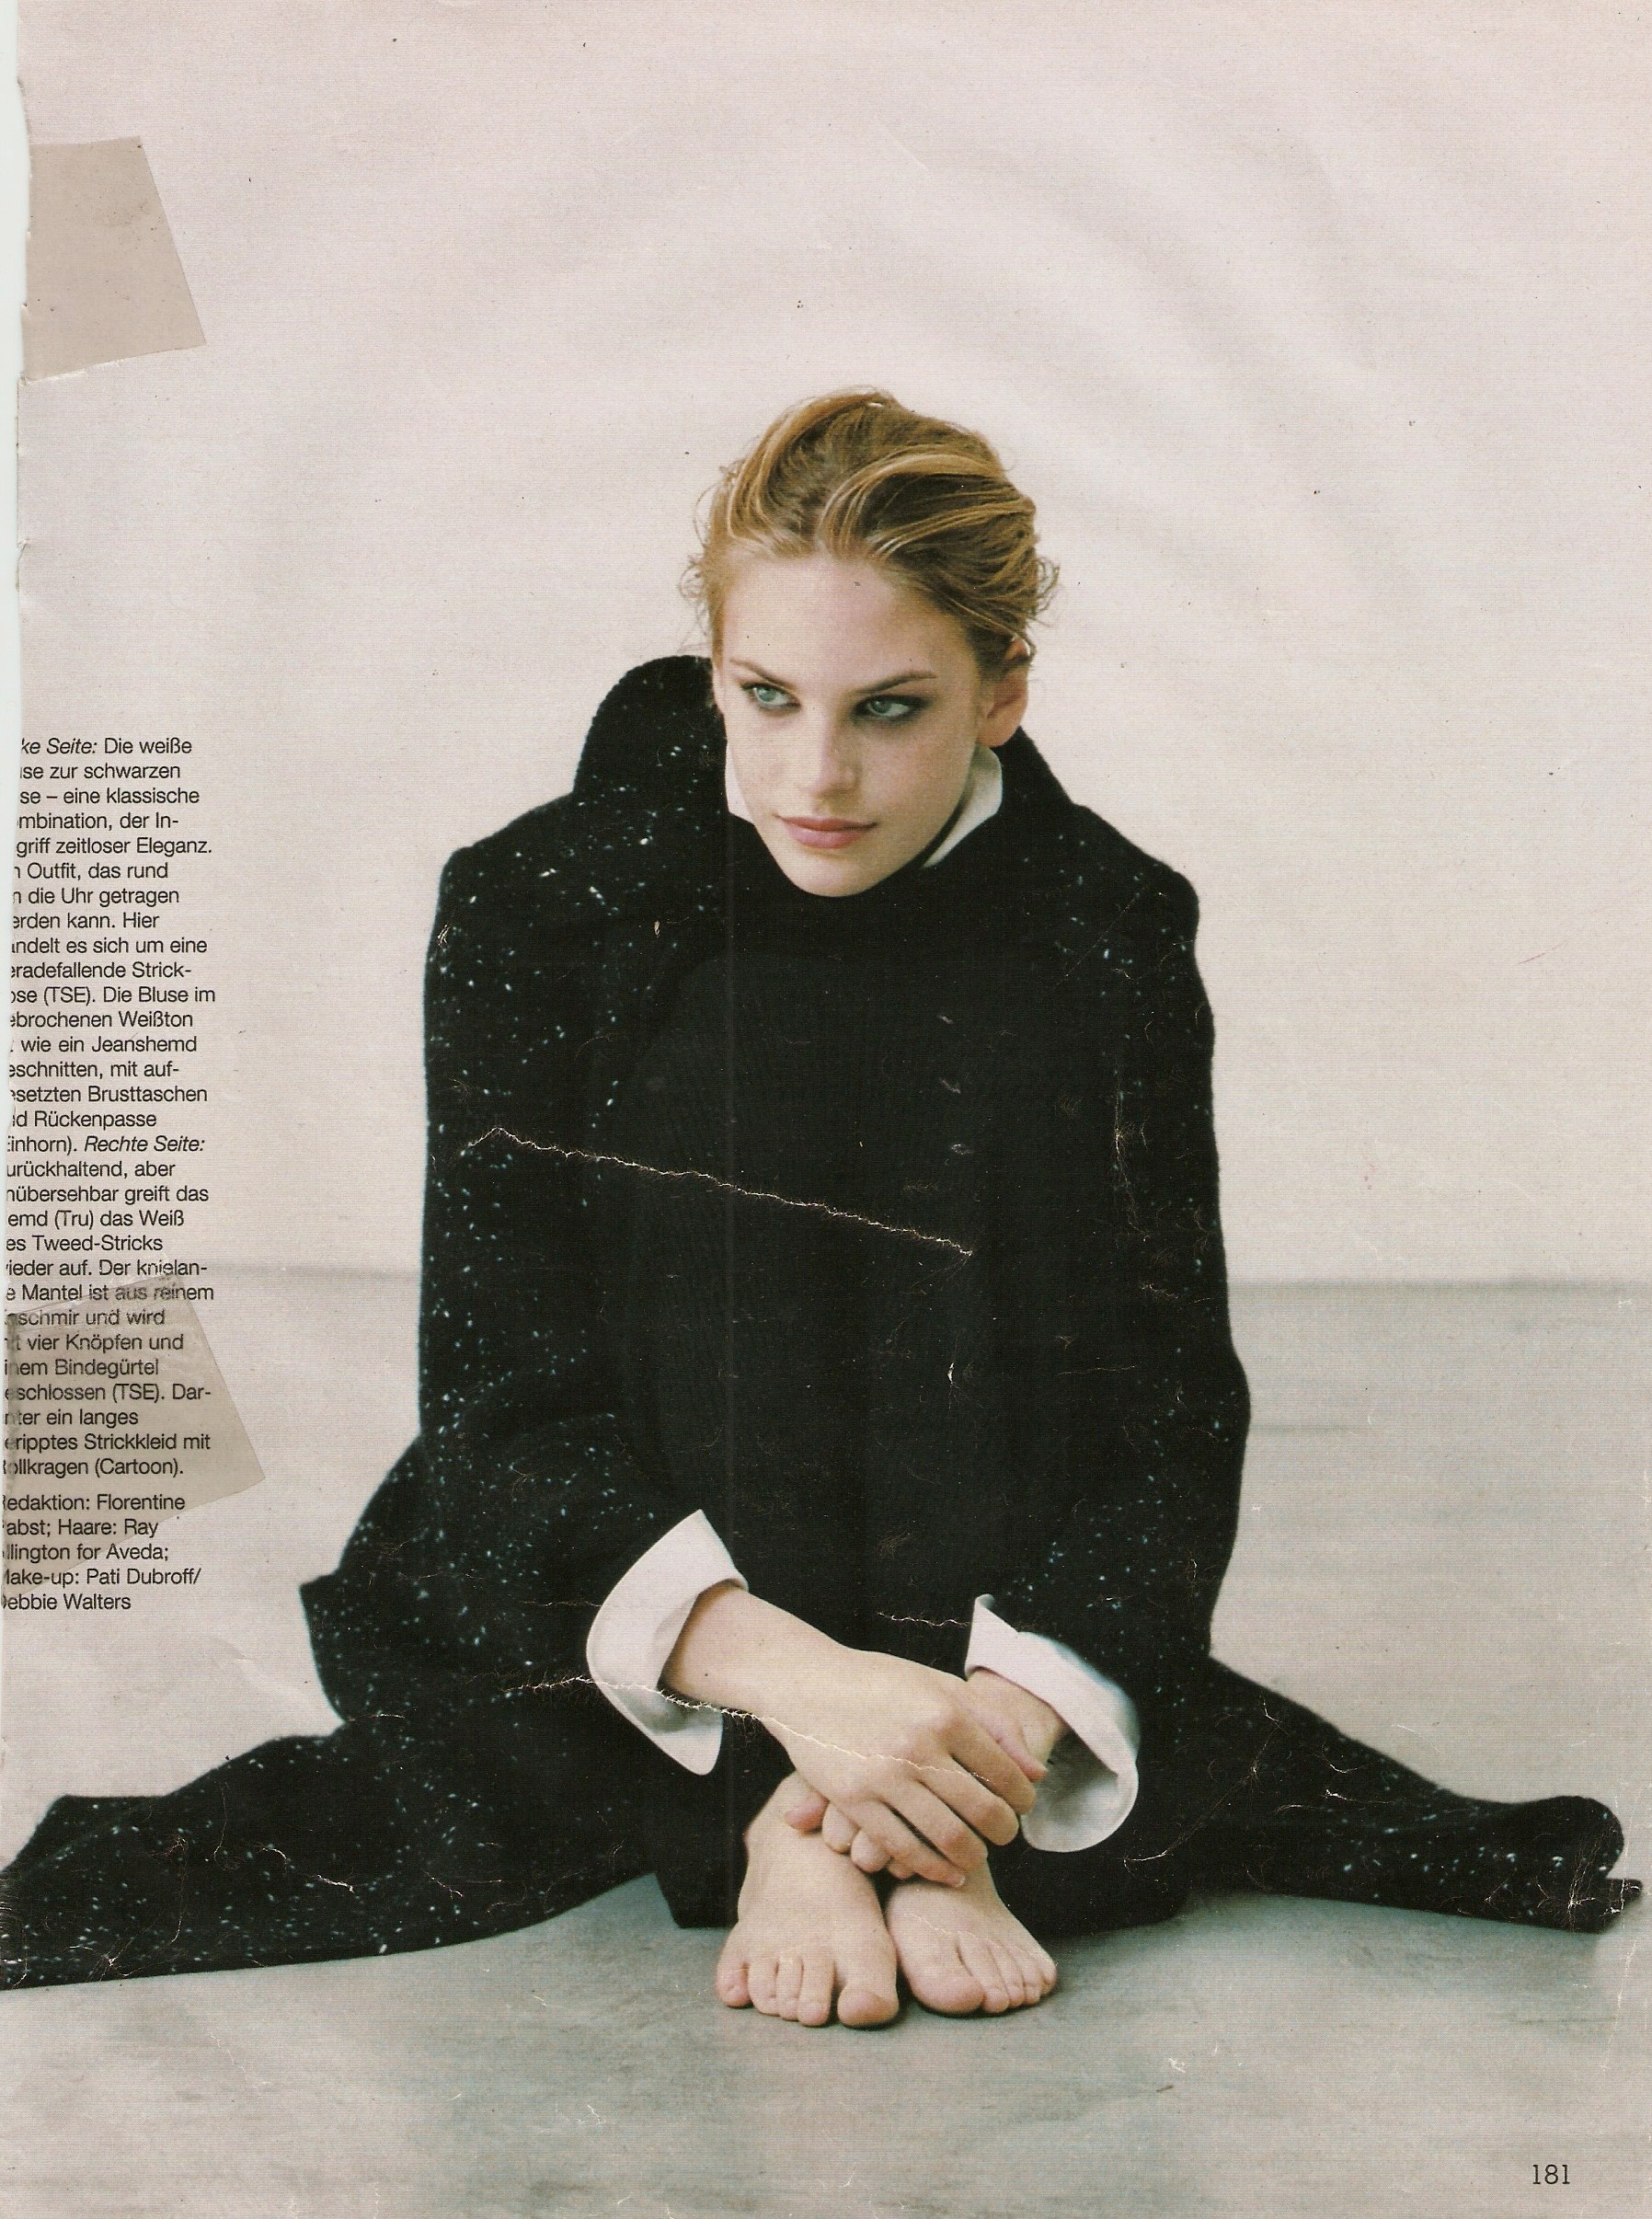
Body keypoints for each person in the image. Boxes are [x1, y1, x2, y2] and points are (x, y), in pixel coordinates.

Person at [1, 391, 1635, 2023]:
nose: (815, 776)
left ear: (1004, 694)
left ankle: (884, 1822)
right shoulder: (539, 904)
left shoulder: (1111, 926)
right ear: (712, 667)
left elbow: (1164, 1402)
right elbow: (501, 1397)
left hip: (978, 1591)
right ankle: (796, 1802)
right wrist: (809, 1693)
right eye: (766, 697)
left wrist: (973, 1752)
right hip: (645, 1607)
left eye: (891, 711)